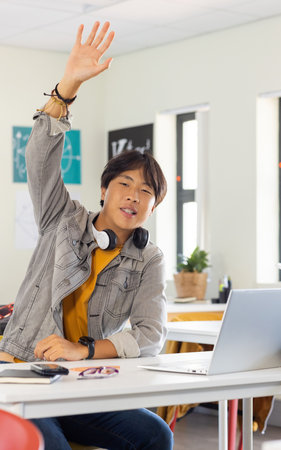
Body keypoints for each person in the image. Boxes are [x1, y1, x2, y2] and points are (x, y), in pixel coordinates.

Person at [0, 21, 173, 449]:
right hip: (19, 372)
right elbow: (40, 160)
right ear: (104, 189)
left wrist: (87, 351)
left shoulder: (148, 258)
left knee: (155, 435)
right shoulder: (63, 218)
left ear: (154, 206)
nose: (134, 196)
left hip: (82, 382)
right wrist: (67, 87)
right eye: (125, 184)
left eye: (146, 191)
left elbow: (152, 334)